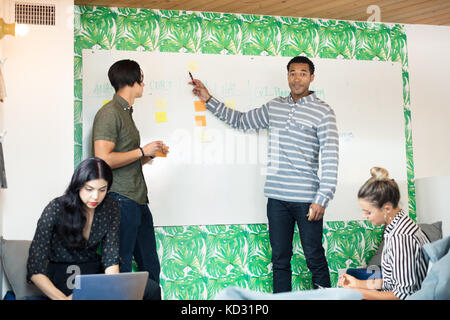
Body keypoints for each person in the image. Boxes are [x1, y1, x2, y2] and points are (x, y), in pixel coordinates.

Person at [189, 56, 339, 292]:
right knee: (280, 262)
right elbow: (241, 121)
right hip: (277, 199)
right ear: (287, 76)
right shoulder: (275, 107)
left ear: (311, 77)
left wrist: (322, 199)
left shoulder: (323, 112)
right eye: (292, 73)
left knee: (315, 259)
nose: (296, 78)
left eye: (302, 73)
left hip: (308, 201)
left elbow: (331, 158)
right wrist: (208, 98)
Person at [26, 157, 160, 300]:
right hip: (62, 276)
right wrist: (63, 299)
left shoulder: (111, 207)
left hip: (94, 276)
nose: (95, 196)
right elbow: (35, 268)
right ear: (78, 186)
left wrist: (113, 288)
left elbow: (111, 258)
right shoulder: (55, 208)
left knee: (151, 288)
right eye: (89, 189)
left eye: (102, 190)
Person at [92, 59, 168, 299]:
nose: (144, 84)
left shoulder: (126, 113)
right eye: (141, 78)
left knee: (150, 267)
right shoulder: (109, 113)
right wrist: (141, 151)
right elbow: (102, 158)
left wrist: (149, 154)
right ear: (132, 80)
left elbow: (125, 159)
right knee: (121, 268)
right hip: (119, 200)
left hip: (137, 200)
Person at [338, 167, 430, 300]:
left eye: (368, 212)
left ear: (386, 208)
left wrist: (357, 291)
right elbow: (393, 281)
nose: (365, 216)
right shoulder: (396, 225)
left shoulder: (401, 238)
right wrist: (357, 284)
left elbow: (402, 295)